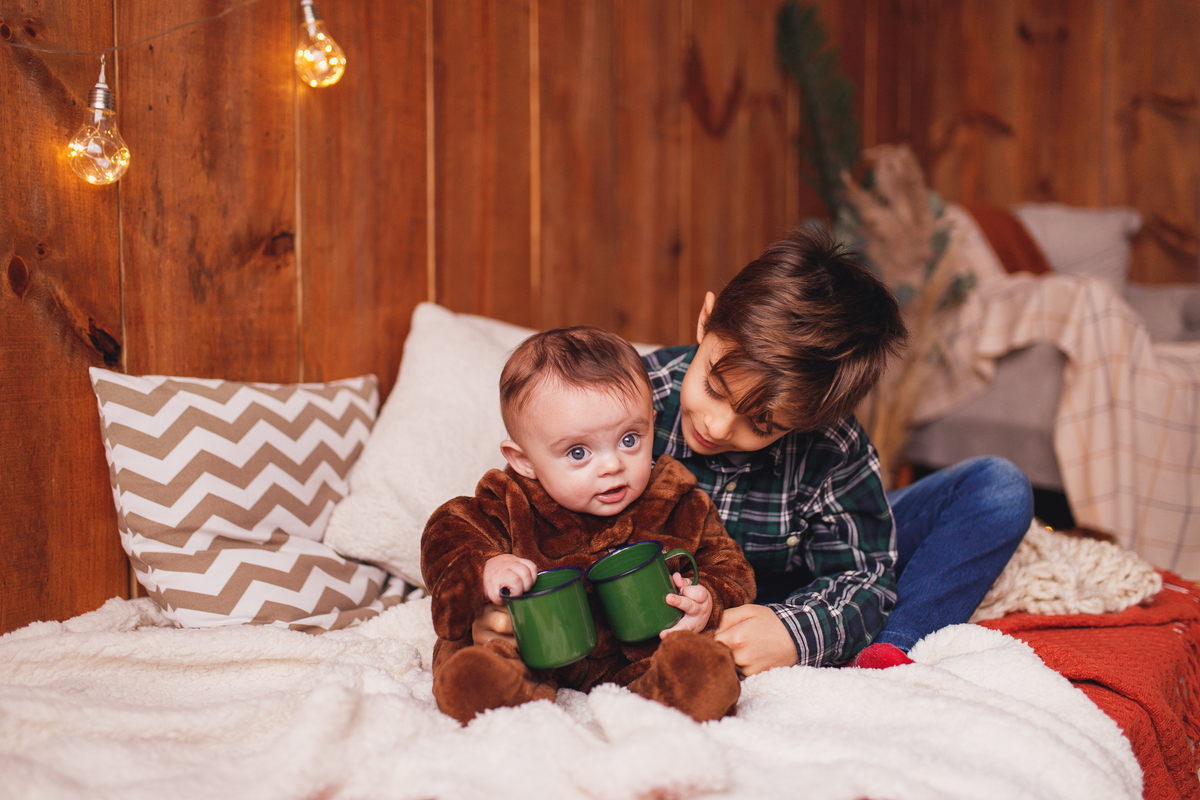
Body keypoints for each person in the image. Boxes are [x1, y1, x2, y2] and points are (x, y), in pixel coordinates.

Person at [475, 226, 1033, 675]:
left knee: (999, 488)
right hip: (694, 584)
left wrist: (794, 631)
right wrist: (508, 604)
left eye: (762, 424)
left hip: (802, 568)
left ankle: (892, 654)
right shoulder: (634, 405)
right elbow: (538, 505)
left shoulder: (833, 447)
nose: (717, 426)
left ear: (810, 419)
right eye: (715, 386)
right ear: (705, 320)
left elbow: (862, 575)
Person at [422, 326, 757, 724]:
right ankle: (498, 690)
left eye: (630, 439)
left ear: (652, 423)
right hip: (530, 649)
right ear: (524, 459)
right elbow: (447, 535)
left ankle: (668, 696)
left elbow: (728, 565)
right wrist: (485, 569)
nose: (613, 465)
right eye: (578, 452)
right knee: (481, 658)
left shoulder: (676, 496)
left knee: (697, 664)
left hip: (635, 659)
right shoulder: (509, 499)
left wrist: (707, 599)